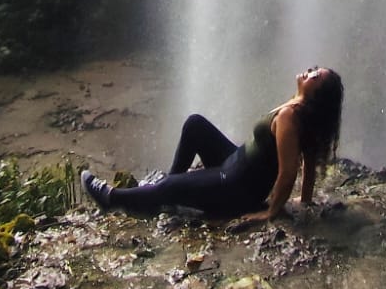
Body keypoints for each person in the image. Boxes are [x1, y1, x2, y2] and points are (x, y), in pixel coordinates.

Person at [80, 66, 343, 223]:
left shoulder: (290, 117)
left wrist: (270, 213)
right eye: (313, 69)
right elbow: (310, 161)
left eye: (315, 75)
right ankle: (165, 195)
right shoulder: (299, 112)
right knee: (195, 124)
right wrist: (305, 200)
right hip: (234, 164)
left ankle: (112, 199)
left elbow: (288, 173)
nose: (309, 71)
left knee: (170, 186)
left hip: (236, 188)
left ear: (317, 94)